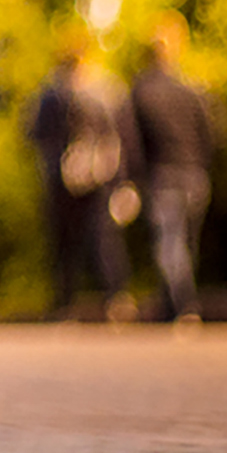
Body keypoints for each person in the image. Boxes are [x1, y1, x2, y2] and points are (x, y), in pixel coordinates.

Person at [28, 27, 142, 320]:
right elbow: (124, 135)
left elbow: (35, 135)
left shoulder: (51, 92)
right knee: (104, 238)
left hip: (62, 177)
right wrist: (125, 180)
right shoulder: (107, 89)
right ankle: (116, 298)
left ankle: (66, 304)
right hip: (102, 174)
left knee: (66, 243)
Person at [130, 12, 216, 322]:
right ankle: (173, 306)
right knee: (185, 245)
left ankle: (183, 306)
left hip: (163, 176)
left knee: (170, 244)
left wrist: (133, 181)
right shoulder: (194, 89)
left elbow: (133, 143)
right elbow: (213, 133)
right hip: (195, 174)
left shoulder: (142, 90)